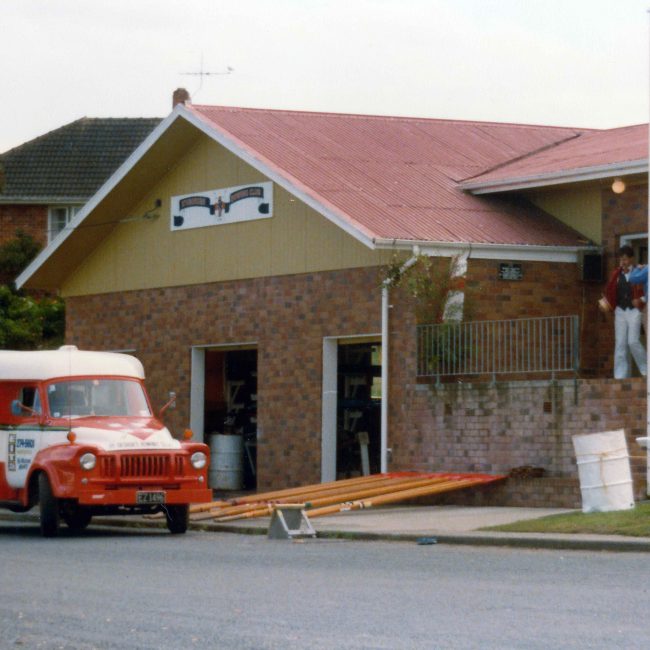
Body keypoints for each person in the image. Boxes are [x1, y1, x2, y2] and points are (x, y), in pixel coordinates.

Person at [602, 245, 647, 379]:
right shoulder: (616, 274)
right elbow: (610, 290)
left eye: (625, 259)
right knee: (620, 343)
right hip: (620, 310)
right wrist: (607, 303)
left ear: (631, 259)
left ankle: (646, 370)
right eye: (621, 260)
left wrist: (641, 299)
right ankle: (620, 376)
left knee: (632, 341)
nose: (623, 262)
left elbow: (646, 289)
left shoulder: (640, 272)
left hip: (634, 311)